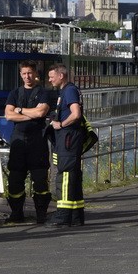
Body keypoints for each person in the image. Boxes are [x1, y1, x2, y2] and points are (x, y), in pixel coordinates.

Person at [4, 61, 52, 223]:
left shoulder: (43, 93)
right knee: (15, 180)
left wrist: (20, 110)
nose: (27, 76)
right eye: (24, 73)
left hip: (37, 140)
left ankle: (41, 213)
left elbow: (41, 112)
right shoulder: (14, 93)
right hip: (18, 140)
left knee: (40, 180)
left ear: (35, 73)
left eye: (30, 73)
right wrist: (31, 114)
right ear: (20, 74)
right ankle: (17, 213)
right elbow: (9, 115)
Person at [46, 63, 86, 227]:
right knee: (74, 176)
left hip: (68, 137)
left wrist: (61, 124)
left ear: (60, 75)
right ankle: (76, 216)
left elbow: (76, 114)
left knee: (65, 174)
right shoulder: (67, 90)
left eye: (51, 76)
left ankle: (63, 215)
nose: (49, 80)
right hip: (70, 137)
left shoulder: (69, 90)